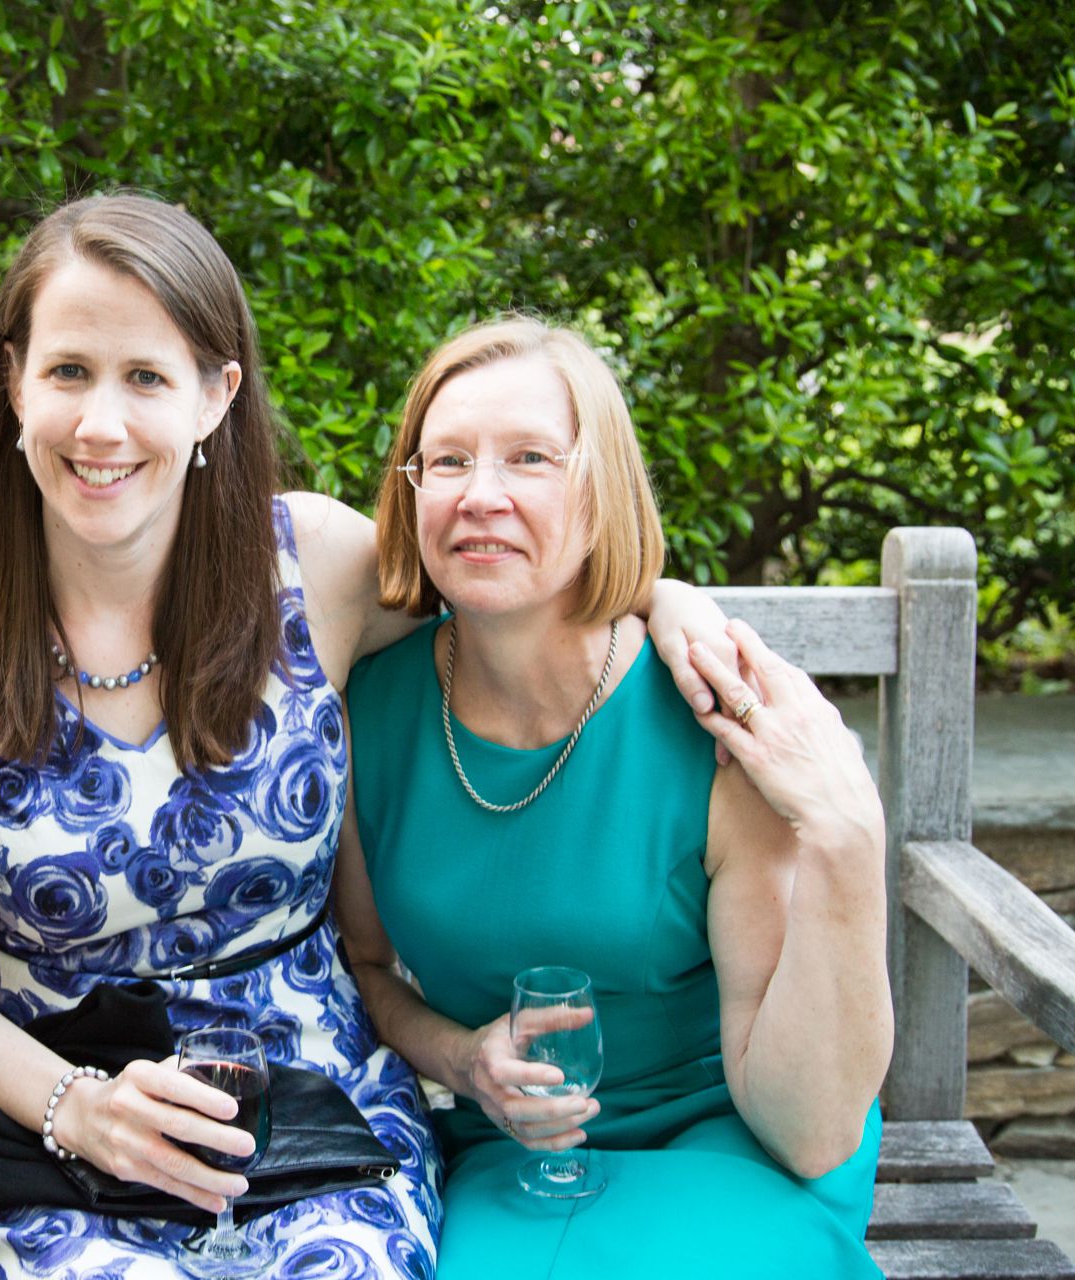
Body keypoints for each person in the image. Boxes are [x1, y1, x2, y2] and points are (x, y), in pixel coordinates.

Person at [0, 196, 737, 1277]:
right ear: (13, 384)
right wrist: (76, 1106)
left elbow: (510, 567)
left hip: (315, 1111)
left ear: (216, 396)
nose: (101, 425)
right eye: (68, 372)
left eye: (146, 376)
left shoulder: (312, 566)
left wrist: (666, 599)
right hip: (60, 1123)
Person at [336, 315, 892, 1278]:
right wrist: (464, 1059)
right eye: (449, 461)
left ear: (600, 496)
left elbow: (807, 1129)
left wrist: (849, 836)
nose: (483, 496)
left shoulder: (706, 715)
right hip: (511, 1153)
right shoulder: (365, 715)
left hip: (733, 1147)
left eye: (530, 459)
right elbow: (370, 973)